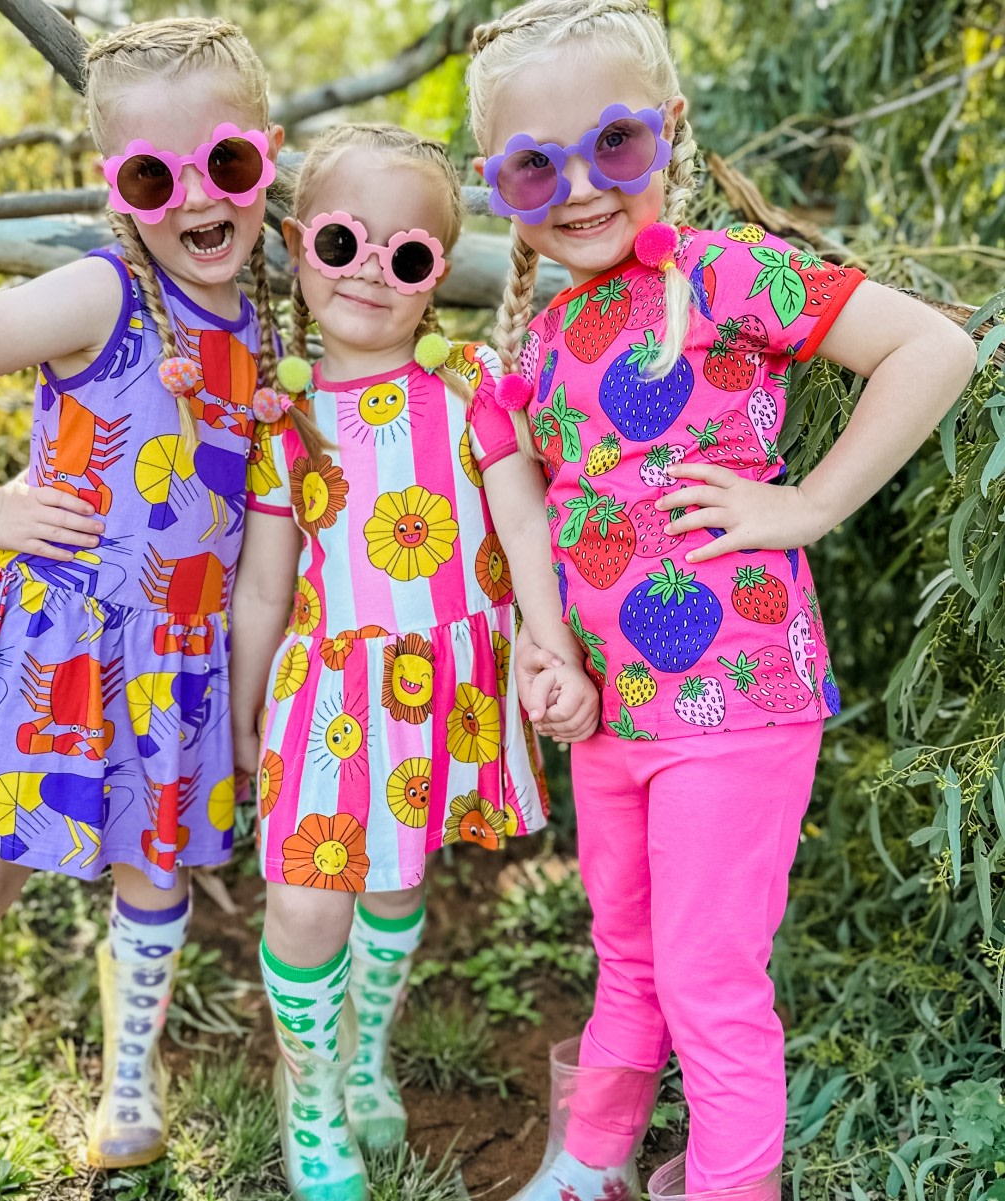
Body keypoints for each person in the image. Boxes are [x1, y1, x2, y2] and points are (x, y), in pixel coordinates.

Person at [465, 3, 977, 1200]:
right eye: (538, 163)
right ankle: (592, 1160)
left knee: (707, 970)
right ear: (501, 184)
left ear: (673, 133)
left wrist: (809, 507)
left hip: (735, 697)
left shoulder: (726, 275)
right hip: (610, 715)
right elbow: (531, 514)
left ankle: (734, 1184)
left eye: (616, 145)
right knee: (627, 953)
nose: (582, 186)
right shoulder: (532, 343)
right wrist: (547, 651)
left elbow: (933, 351)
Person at [0, 16, 283, 1173]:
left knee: (157, 868)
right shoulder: (97, 296)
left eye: (226, 163)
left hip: (179, 654)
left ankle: (129, 1085)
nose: (199, 197)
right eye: (157, 173)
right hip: (63, 641)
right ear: (118, 189)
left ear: (267, 157)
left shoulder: (258, 325)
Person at [228, 122, 599, 1201]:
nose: (370, 276)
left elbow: (525, 524)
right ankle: (312, 1095)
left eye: (406, 257)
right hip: (328, 688)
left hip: (444, 684)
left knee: (395, 876)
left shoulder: (472, 382)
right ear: (299, 244)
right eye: (343, 244)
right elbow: (262, 580)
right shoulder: (285, 412)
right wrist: (247, 711)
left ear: (438, 270)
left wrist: (548, 639)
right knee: (307, 897)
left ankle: (369, 1053)